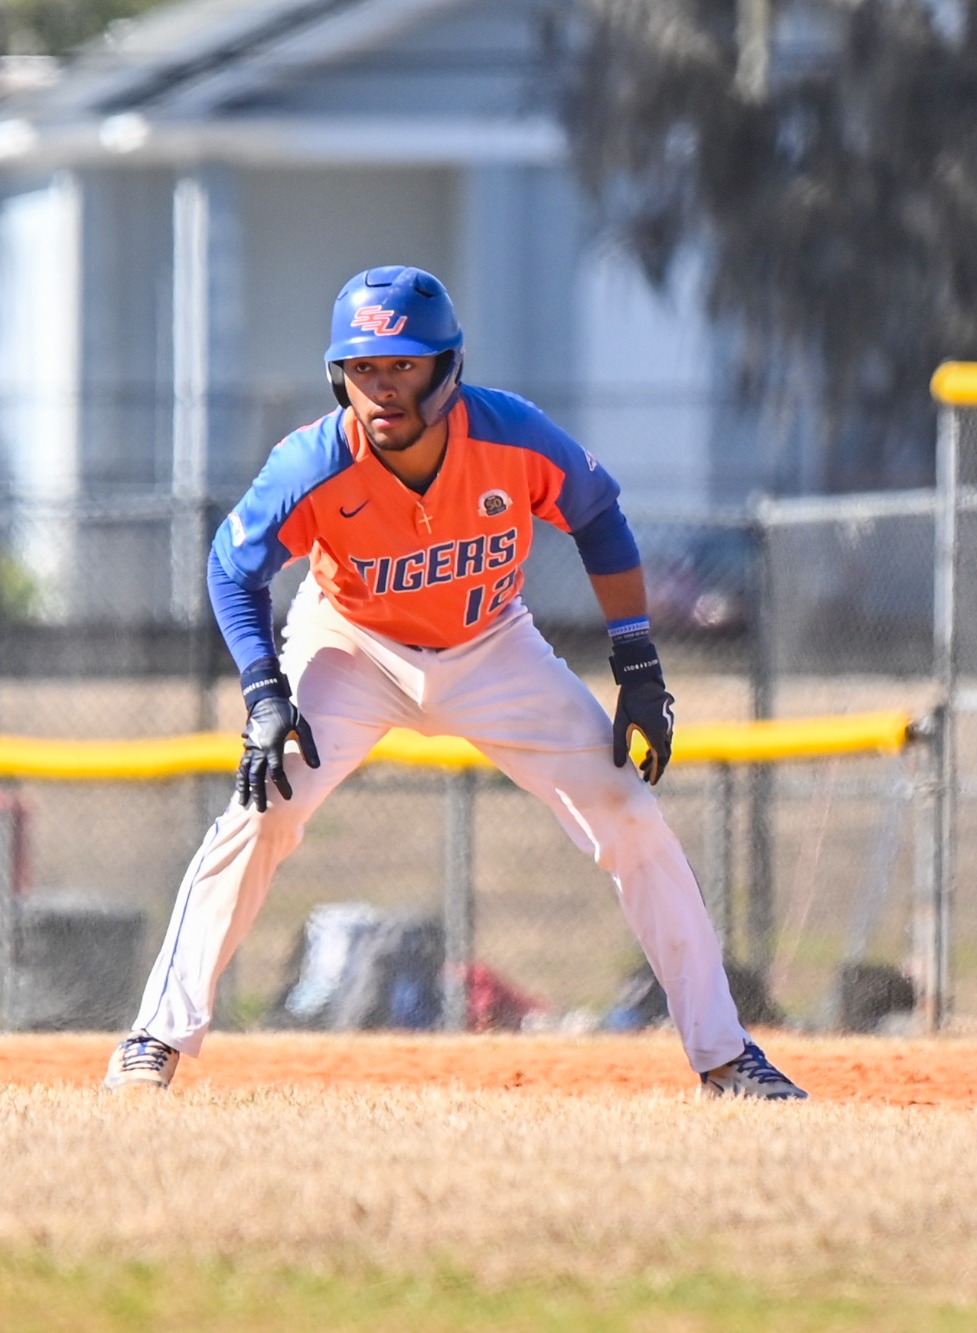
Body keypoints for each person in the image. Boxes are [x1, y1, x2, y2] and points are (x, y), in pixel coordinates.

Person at [103, 265, 805, 1101]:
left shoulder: (512, 435)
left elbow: (597, 516)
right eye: (364, 368)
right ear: (340, 377)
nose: (382, 388)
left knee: (629, 814)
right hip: (352, 642)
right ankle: (154, 1039)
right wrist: (264, 692)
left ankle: (725, 1056)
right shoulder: (314, 461)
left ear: (448, 369)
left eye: (403, 366)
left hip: (490, 646)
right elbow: (232, 565)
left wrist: (638, 664)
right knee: (265, 808)